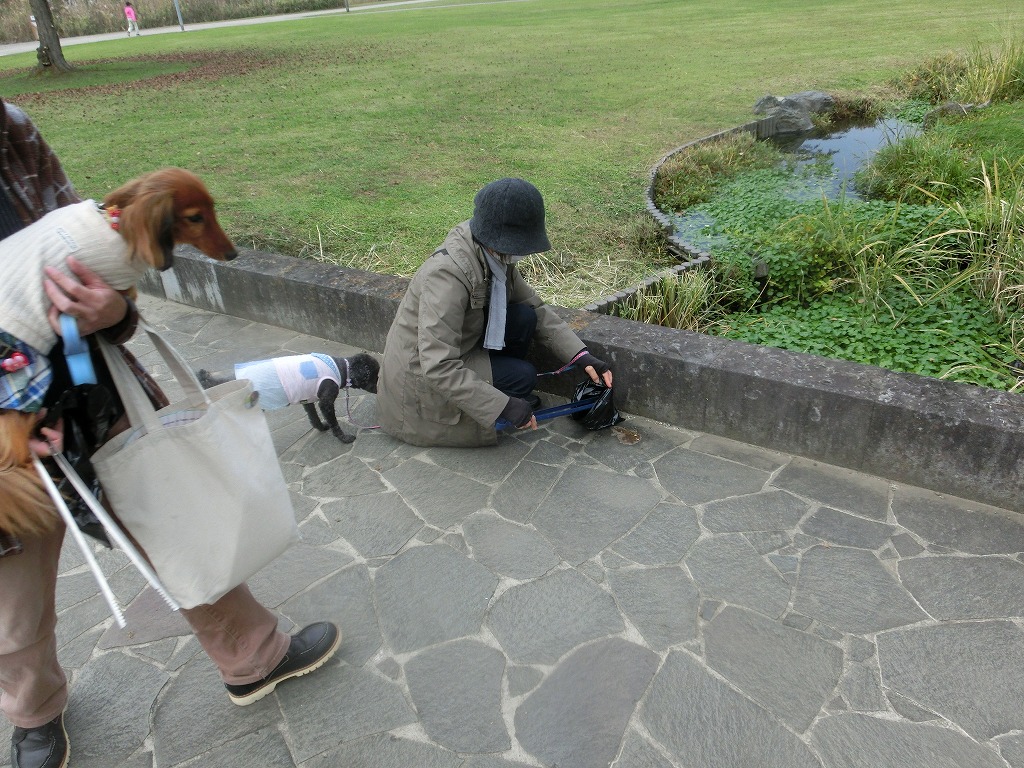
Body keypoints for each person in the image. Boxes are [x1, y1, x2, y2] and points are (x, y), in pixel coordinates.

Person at [0, 101, 339, 768]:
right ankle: (34, 713)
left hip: (92, 381)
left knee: (177, 519)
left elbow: (97, 241)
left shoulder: (11, 130)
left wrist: (115, 310)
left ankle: (253, 656)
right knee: (12, 594)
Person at [376, 177, 613, 447]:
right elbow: (437, 365)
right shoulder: (445, 277)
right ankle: (506, 391)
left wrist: (580, 355)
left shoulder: (492, 255)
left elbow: (533, 306)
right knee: (523, 376)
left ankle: (506, 387)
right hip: (419, 386)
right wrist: (502, 405)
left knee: (524, 317)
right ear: (498, 239)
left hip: (463, 346)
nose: (522, 253)